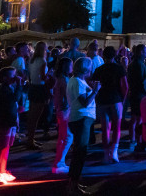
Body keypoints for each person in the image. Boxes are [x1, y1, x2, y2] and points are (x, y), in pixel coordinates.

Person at [66, 56, 100, 194]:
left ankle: (75, 182)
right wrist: (96, 90)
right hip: (81, 118)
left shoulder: (77, 81)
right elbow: (84, 102)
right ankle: (73, 185)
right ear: (86, 69)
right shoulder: (78, 82)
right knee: (80, 152)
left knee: (80, 151)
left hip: (80, 118)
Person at [92, 45, 128, 163]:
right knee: (117, 127)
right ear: (115, 55)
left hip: (102, 99)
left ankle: (106, 154)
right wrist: (122, 100)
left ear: (103, 55)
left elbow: (93, 84)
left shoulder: (99, 69)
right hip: (116, 99)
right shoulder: (119, 68)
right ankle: (114, 152)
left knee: (105, 128)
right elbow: (125, 86)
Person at [0, 66, 22, 184]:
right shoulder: (2, 89)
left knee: (7, 146)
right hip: (4, 121)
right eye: (12, 76)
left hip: (10, 120)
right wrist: (19, 86)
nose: (15, 78)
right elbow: (14, 99)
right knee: (1, 146)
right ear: (4, 78)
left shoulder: (9, 87)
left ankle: (2, 170)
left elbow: (14, 103)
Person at [25, 41, 50, 150]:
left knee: (31, 115)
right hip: (40, 88)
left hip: (32, 87)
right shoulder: (43, 61)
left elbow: (31, 75)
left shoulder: (32, 60)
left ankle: (30, 138)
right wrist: (50, 76)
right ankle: (30, 140)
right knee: (36, 116)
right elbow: (43, 77)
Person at [127, 44, 146, 144]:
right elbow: (143, 81)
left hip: (134, 93)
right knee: (139, 119)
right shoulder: (140, 64)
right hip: (140, 94)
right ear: (141, 52)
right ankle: (139, 140)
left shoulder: (133, 63)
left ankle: (132, 139)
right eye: (145, 51)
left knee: (134, 117)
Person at [52, 57, 73, 175]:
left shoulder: (60, 78)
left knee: (62, 137)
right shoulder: (64, 80)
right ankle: (59, 164)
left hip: (61, 110)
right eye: (71, 65)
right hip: (65, 110)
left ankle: (60, 162)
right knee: (68, 137)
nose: (72, 68)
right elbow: (68, 94)